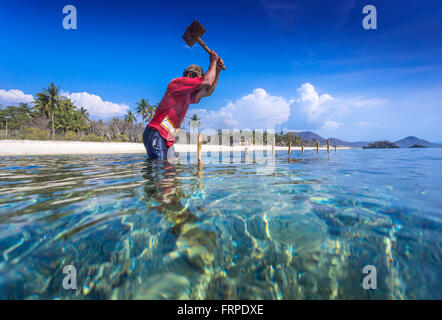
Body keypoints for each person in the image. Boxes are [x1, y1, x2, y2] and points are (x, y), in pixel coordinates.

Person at [143, 50, 224, 160]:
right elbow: (207, 82)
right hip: (156, 132)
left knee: (171, 171)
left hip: (169, 136)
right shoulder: (177, 83)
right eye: (198, 80)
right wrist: (213, 61)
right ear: (190, 75)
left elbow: (208, 91)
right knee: (160, 171)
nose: (199, 86)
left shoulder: (189, 95)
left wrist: (218, 70)